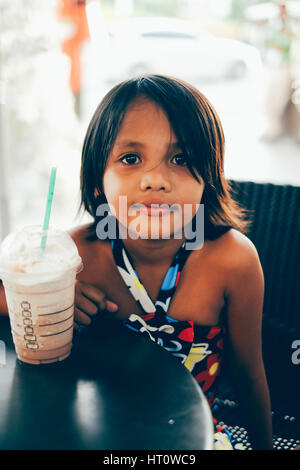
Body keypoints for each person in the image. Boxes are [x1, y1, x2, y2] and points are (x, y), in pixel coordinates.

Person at [0, 75, 273, 450]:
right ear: (98, 180)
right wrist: (52, 295)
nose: (155, 179)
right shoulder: (71, 256)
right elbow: (11, 292)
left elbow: (249, 374)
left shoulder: (233, 261)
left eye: (181, 159)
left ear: (208, 178)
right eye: (130, 158)